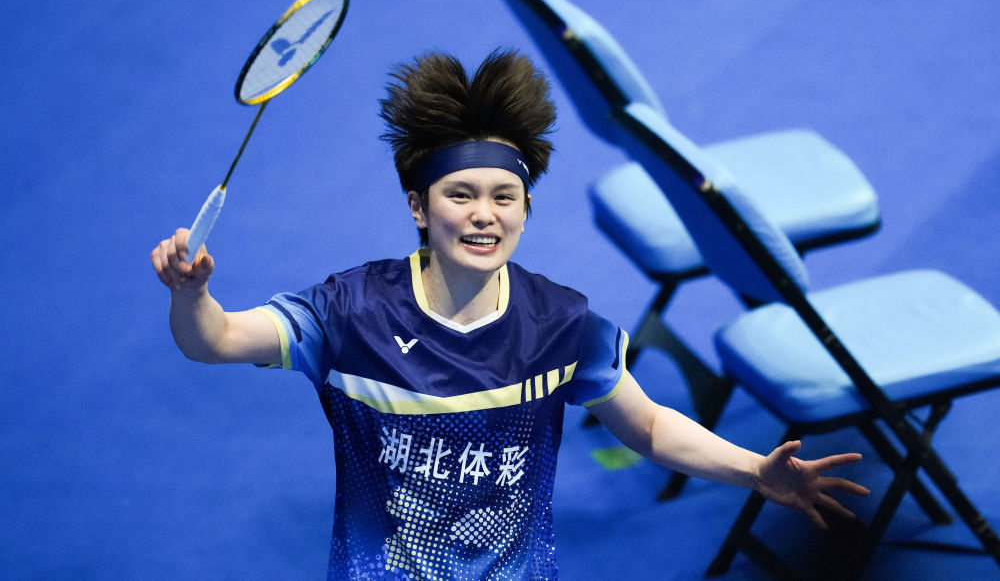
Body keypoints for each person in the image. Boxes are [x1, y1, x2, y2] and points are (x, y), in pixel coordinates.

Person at [151, 49, 869, 579]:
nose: (484, 214)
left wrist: (756, 470)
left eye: (504, 196)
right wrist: (191, 295)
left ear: (526, 207)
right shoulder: (350, 313)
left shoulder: (560, 325)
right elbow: (216, 339)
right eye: (460, 194)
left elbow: (648, 425)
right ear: (418, 207)